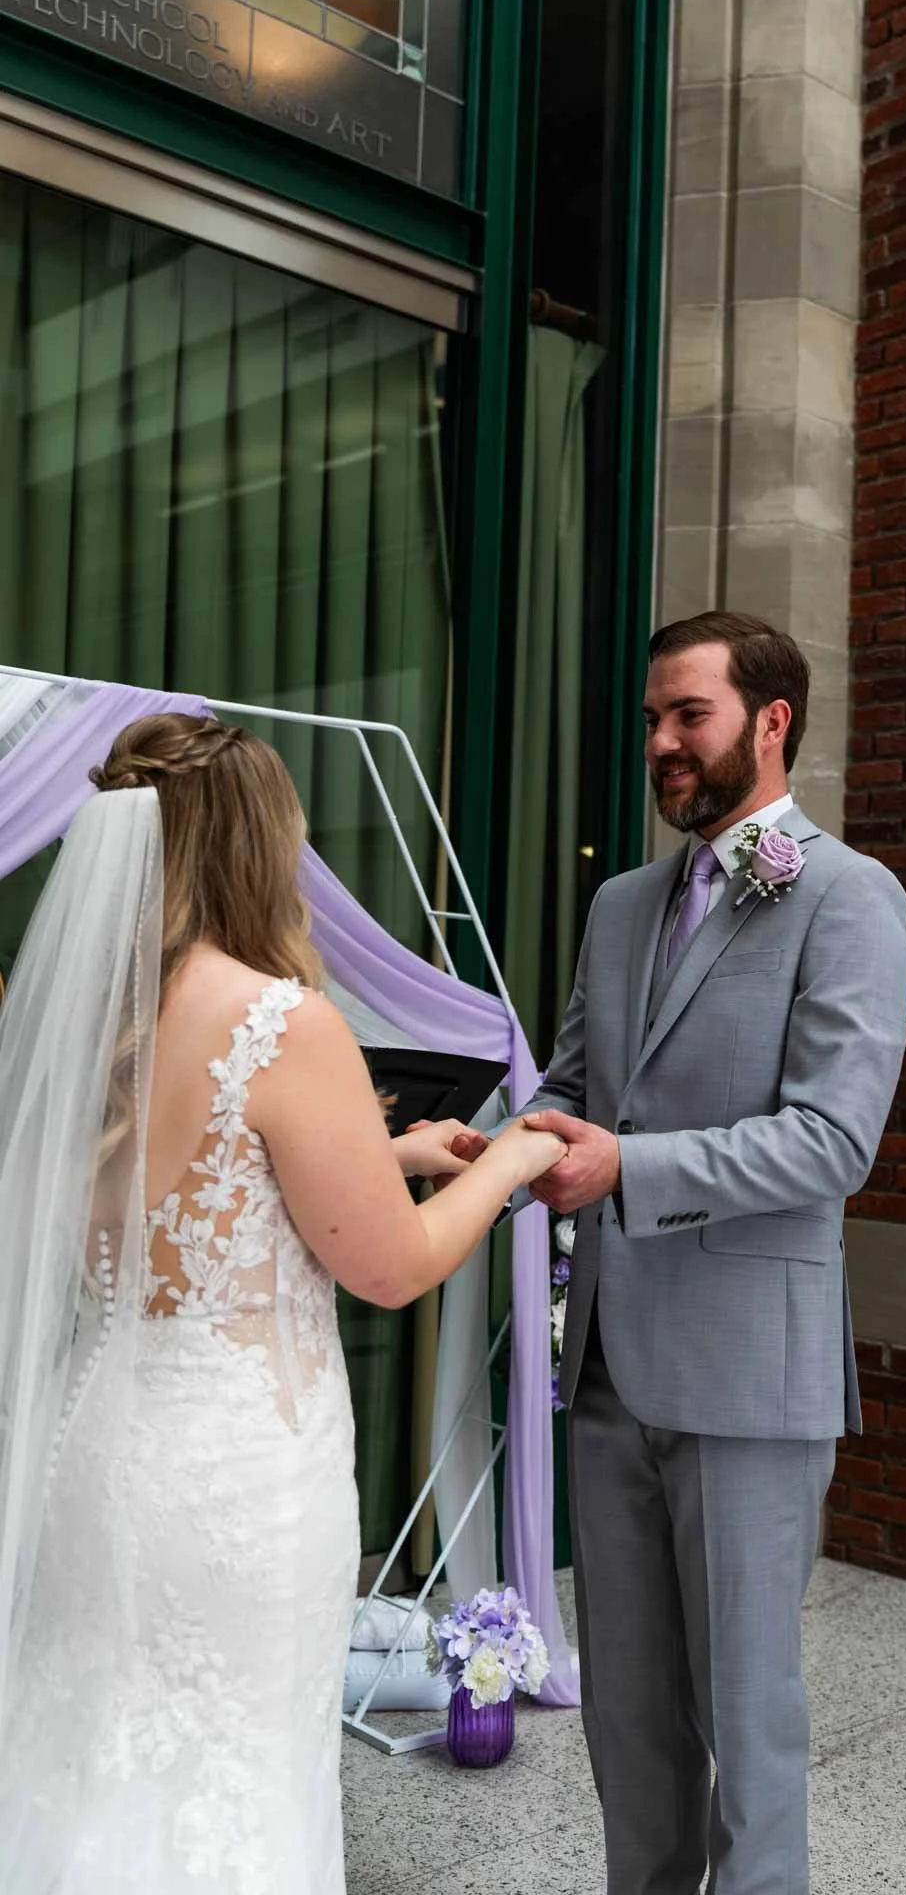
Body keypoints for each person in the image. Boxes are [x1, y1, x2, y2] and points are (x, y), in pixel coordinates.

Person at [0, 712, 564, 1895]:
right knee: (236, 1768)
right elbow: (393, 1268)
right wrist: (510, 1162)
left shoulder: (87, 1026)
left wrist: (391, 1151)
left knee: (91, 1755)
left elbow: (192, 1193)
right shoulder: (279, 1020)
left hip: (95, 1453)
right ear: (259, 850)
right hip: (235, 1482)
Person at [456, 612, 906, 1894]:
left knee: (745, 1725)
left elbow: (831, 1140)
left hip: (748, 1382)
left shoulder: (848, 896)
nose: (658, 742)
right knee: (628, 1722)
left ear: (770, 724)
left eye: (687, 717)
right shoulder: (618, 903)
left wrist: (628, 1169)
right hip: (604, 1371)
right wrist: (466, 1151)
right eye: (651, 718)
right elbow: (569, 1093)